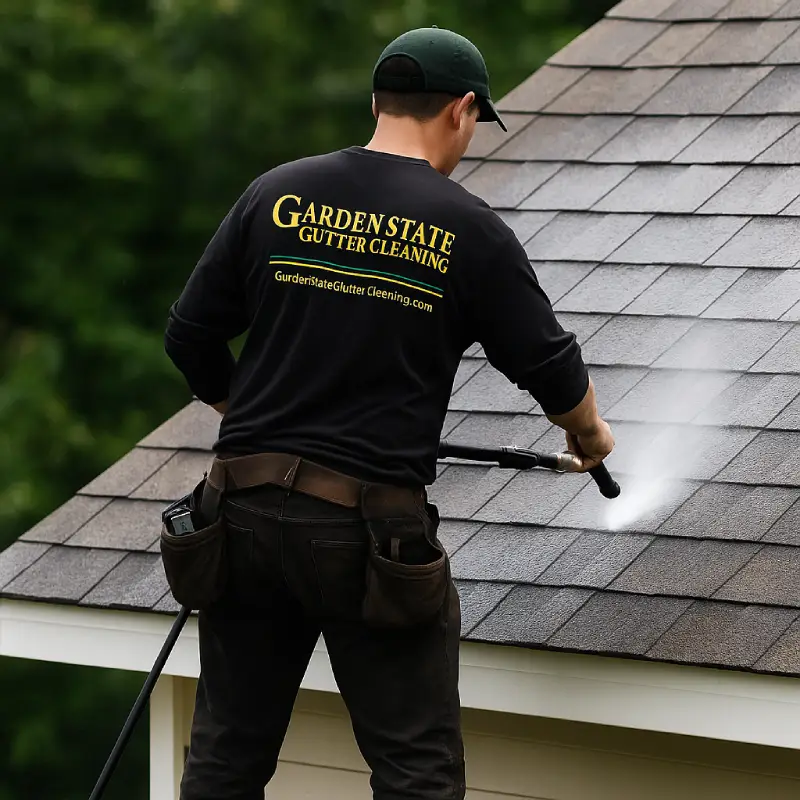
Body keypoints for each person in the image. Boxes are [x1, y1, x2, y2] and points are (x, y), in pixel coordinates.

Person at [164, 25, 614, 800]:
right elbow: (551, 366)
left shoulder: (276, 193)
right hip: (367, 537)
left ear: (377, 101)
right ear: (463, 111)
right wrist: (591, 436)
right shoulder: (468, 229)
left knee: (226, 761)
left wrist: (251, 421)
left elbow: (190, 335)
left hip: (239, 517)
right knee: (417, 775)